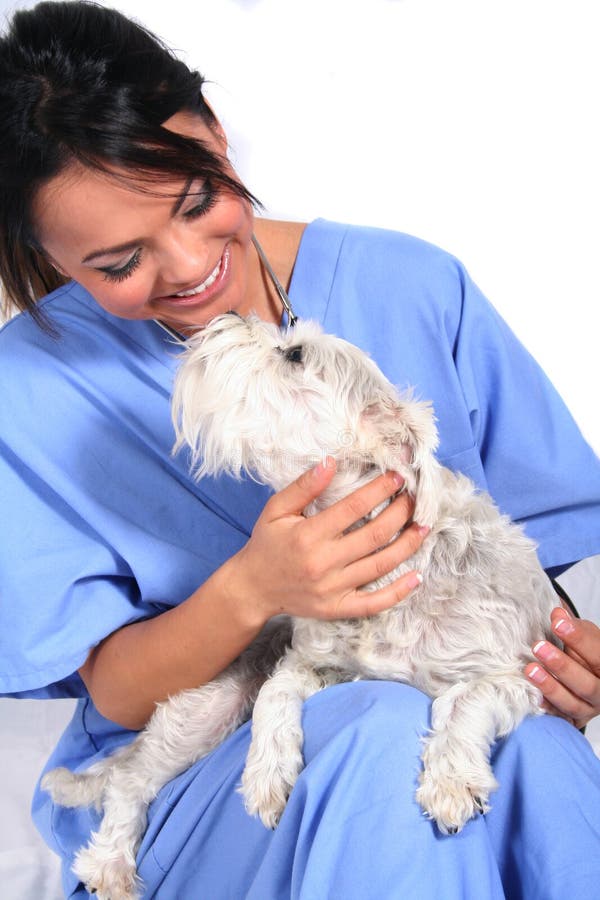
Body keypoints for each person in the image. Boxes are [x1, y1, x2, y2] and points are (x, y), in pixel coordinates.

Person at [1, 2, 599, 897]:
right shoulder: (29, 393)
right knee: (376, 736)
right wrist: (257, 588)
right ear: (40, 253)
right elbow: (120, 696)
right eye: (120, 263)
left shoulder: (411, 285)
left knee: (542, 760)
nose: (188, 268)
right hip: (215, 783)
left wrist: (569, 658)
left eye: (200, 202)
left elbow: (540, 560)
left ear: (214, 128)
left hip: (451, 702)